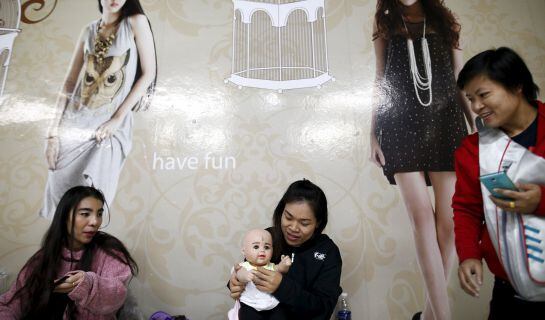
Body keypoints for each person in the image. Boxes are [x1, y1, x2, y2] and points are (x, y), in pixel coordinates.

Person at [369, 0, 474, 319]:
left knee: (449, 222)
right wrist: (371, 134)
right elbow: (380, 80)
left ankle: (429, 315)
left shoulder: (446, 22)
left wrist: (475, 127)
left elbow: (460, 77)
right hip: (399, 125)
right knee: (421, 218)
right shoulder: (386, 25)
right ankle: (442, 317)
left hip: (446, 124)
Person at [40, 0, 157, 219]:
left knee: (94, 202)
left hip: (108, 127)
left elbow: (148, 73)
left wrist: (117, 119)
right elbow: (68, 84)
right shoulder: (88, 30)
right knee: (61, 205)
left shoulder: (135, 23)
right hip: (73, 126)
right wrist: (52, 135)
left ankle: (87, 252)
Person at [453, 47, 545, 319]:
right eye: (470, 99)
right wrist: (469, 254)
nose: (476, 107)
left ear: (517, 86)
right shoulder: (472, 150)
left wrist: (540, 201)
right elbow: (467, 209)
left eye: (483, 95)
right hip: (510, 291)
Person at [0, 185, 138, 319]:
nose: (95, 221)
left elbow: (117, 295)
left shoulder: (110, 253)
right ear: (65, 217)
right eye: (85, 214)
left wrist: (87, 283)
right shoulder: (43, 258)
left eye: (99, 214)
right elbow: (11, 304)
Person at [228, 180, 343, 319]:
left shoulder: (328, 252)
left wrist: (282, 286)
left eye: (304, 223)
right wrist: (236, 282)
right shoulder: (267, 238)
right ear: (281, 211)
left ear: (318, 223)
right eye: (288, 217)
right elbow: (248, 272)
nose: (293, 228)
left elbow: (323, 309)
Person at [228, 229, 292, 319]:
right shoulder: (243, 266)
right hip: (250, 304)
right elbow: (239, 274)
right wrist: (245, 276)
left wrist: (284, 264)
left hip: (272, 304)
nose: (262, 251)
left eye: (266, 247)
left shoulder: (270, 266)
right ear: (244, 251)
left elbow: (279, 269)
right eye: (256, 247)